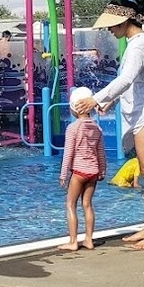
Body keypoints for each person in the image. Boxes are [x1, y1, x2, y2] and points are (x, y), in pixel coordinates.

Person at [75, 0, 144, 250]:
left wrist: (95, 100)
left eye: (112, 24)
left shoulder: (139, 45)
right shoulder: (137, 43)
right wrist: (113, 102)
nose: (109, 29)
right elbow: (137, 83)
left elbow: (127, 79)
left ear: (124, 20)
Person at [58, 86, 107, 252]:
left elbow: (68, 153)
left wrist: (63, 174)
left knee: (70, 204)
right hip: (93, 172)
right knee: (87, 204)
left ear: (73, 108)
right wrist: (102, 170)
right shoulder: (97, 128)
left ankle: (73, 241)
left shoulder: (73, 128)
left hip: (79, 172)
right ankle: (89, 240)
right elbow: (101, 152)